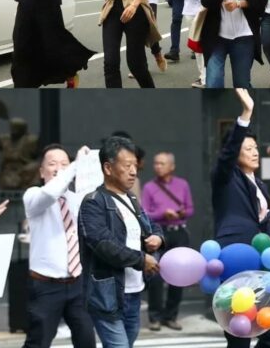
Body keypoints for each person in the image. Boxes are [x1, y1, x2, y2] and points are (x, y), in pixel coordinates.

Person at [211, 90, 270, 348]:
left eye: (255, 148)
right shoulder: (225, 177)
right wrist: (246, 114)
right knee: (239, 337)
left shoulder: (261, 186)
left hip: (261, 264)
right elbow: (227, 154)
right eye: (248, 148)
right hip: (236, 260)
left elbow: (264, 224)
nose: (254, 152)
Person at [78, 136, 164, 348]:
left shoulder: (132, 199)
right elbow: (103, 244)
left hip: (134, 292)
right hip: (108, 295)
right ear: (108, 168)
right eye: (127, 166)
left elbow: (151, 225)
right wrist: (141, 259)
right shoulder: (93, 203)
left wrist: (158, 238)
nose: (133, 171)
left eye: (135, 165)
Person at [22, 144, 97, 348]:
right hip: (46, 286)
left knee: (86, 339)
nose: (59, 168)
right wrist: (73, 167)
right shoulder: (34, 195)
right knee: (38, 342)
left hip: (77, 283)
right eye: (52, 164)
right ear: (41, 171)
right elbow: (51, 193)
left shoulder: (77, 199)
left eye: (64, 163)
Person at [142, 152, 193, 332]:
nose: (158, 166)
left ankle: (171, 316)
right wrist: (163, 214)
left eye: (162, 163)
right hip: (158, 233)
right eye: (156, 163)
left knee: (178, 275)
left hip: (178, 232)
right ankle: (155, 317)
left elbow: (190, 209)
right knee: (155, 274)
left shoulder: (182, 184)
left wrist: (181, 213)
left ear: (172, 166)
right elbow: (145, 213)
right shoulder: (149, 187)